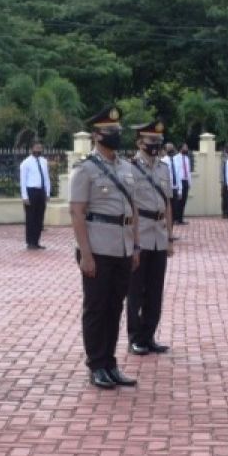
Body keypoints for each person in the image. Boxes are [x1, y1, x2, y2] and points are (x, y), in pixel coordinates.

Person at [69, 105, 141, 389]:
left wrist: (135, 246)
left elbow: (133, 208)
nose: (115, 135)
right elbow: (77, 213)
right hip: (97, 248)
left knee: (115, 307)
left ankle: (110, 362)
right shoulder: (85, 168)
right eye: (110, 132)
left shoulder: (126, 167)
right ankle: (96, 364)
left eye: (117, 131)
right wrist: (85, 253)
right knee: (97, 308)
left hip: (123, 247)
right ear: (97, 135)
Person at [126, 120, 174, 355]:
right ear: (139, 142)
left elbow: (167, 203)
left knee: (156, 290)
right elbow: (129, 206)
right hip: (141, 233)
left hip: (159, 233)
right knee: (136, 290)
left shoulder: (164, 168)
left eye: (158, 141)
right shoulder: (130, 168)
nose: (155, 144)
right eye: (150, 141)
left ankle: (149, 335)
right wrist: (133, 243)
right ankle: (135, 337)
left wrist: (170, 237)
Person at [19, 141, 51, 249]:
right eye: (36, 148)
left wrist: (47, 192)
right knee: (31, 218)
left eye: (40, 148)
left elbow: (46, 178)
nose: (38, 150)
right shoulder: (26, 163)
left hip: (41, 191)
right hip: (31, 191)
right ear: (31, 149)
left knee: (39, 217)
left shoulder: (44, 161)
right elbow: (23, 181)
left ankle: (36, 241)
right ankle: (30, 242)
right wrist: (25, 196)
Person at [176, 145, 192, 225]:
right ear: (181, 148)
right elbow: (177, 171)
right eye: (185, 147)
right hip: (180, 181)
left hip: (185, 180)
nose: (186, 149)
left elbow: (188, 171)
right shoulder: (176, 158)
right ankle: (176, 218)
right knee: (178, 200)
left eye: (187, 147)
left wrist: (189, 182)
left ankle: (180, 218)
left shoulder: (187, 158)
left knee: (183, 201)